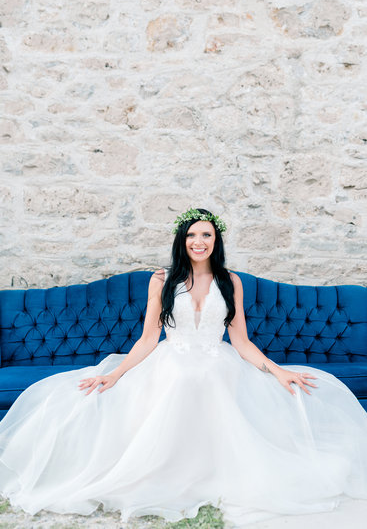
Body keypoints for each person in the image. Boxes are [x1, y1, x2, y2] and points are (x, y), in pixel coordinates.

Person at [1, 207, 367, 529]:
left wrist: (276, 370)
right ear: (182, 239)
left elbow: (240, 341)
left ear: (215, 240)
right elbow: (148, 339)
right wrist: (114, 374)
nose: (198, 241)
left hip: (217, 362)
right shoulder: (162, 281)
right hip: (170, 360)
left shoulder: (231, 281)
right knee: (177, 377)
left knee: (209, 378)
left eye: (206, 234)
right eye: (192, 234)